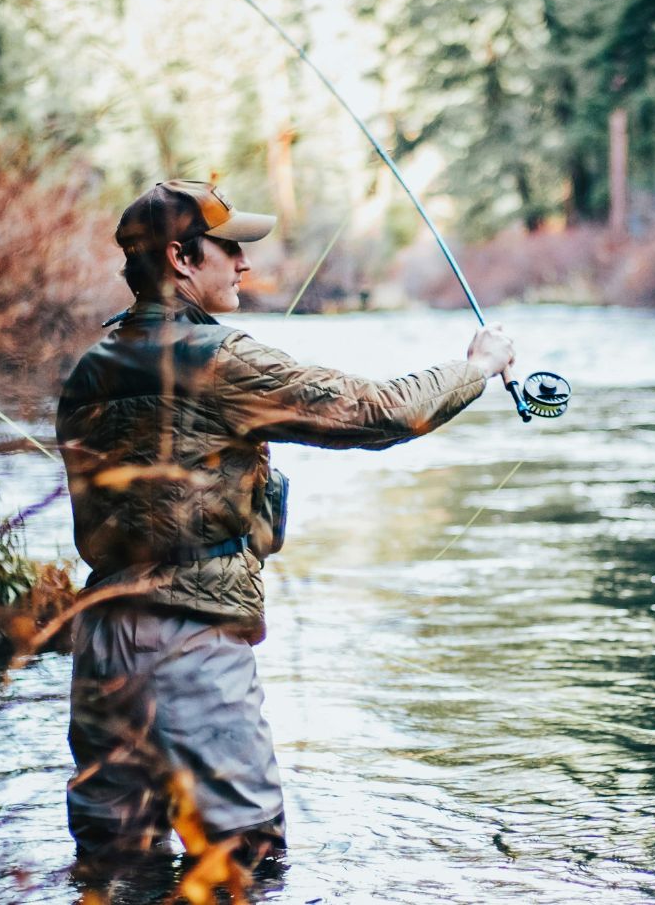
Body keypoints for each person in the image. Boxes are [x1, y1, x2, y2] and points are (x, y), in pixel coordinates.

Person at [56, 180, 514, 870]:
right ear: (181, 258)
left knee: (115, 871)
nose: (243, 263)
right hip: (191, 641)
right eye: (230, 247)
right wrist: (475, 368)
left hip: (101, 647)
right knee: (244, 866)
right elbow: (377, 412)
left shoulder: (89, 371)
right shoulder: (221, 360)